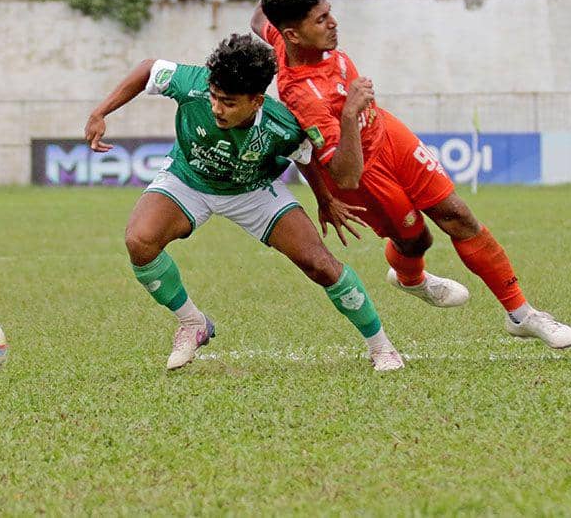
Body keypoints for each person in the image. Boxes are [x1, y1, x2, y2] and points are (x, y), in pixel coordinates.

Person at [251, 0, 571, 349]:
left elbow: (259, 17)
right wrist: (350, 113)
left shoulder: (282, 34)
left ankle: (522, 314)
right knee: (416, 238)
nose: (333, 23)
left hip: (388, 135)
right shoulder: (304, 94)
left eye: (330, 11)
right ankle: (411, 278)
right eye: (321, 19)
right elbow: (346, 176)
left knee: (457, 215)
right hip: (361, 168)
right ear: (294, 34)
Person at [84, 34, 405, 372]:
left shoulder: (281, 125)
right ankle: (193, 323)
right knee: (139, 241)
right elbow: (148, 69)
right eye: (214, 97)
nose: (217, 108)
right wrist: (100, 112)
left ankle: (382, 347)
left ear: (256, 101)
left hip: (253, 190)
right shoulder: (192, 84)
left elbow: (305, 158)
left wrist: (324, 200)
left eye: (229, 102)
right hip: (188, 178)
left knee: (319, 264)